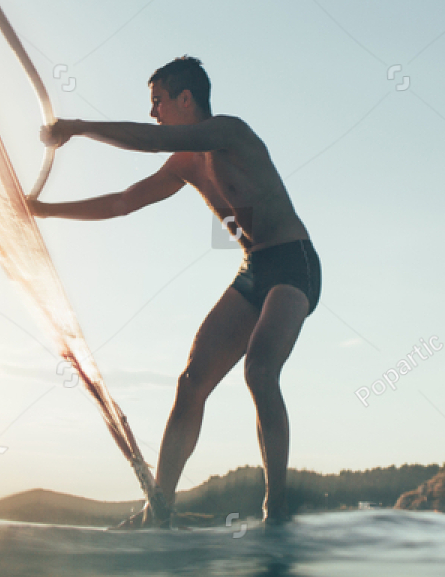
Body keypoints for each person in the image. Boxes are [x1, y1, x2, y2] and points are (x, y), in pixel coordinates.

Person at [29, 56, 319, 526]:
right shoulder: (186, 164)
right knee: (190, 383)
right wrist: (43, 211)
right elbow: (125, 201)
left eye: (158, 101)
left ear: (186, 99)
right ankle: (158, 508)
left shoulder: (229, 133)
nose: (154, 113)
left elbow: (154, 139)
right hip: (253, 269)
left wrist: (78, 127)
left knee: (260, 370)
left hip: (293, 263)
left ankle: (276, 509)